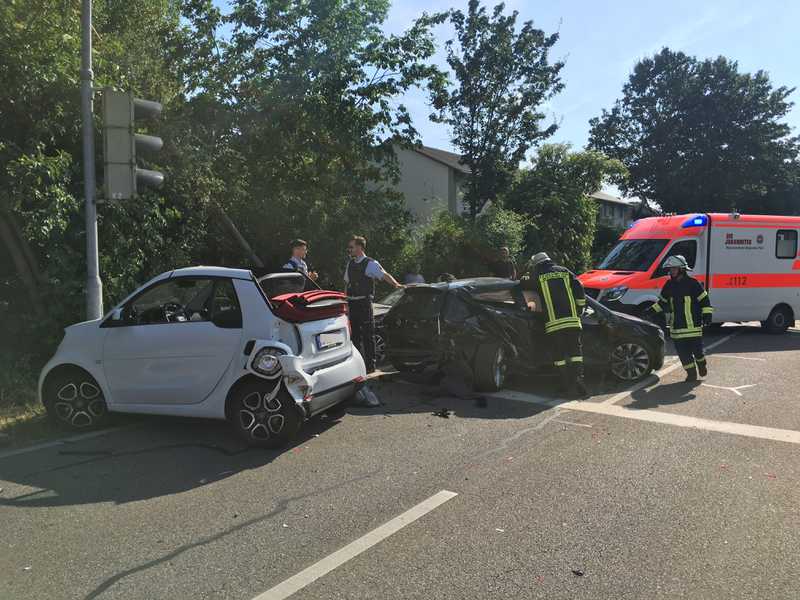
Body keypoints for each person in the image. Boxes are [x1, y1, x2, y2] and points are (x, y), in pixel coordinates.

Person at [528, 251, 588, 398]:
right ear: (549, 260)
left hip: (554, 324)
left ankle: (565, 385)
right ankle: (579, 381)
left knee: (559, 355)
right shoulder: (564, 271)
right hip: (572, 321)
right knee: (576, 353)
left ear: (537, 264)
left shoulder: (536, 276)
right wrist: (580, 308)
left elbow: (525, 289)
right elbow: (579, 288)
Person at [648, 255, 713, 382]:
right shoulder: (669, 285)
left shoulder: (693, 284)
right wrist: (650, 312)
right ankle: (691, 373)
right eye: (670, 269)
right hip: (677, 327)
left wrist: (707, 314)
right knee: (683, 354)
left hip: (693, 326)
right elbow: (662, 303)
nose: (671, 271)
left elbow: (705, 300)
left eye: (674, 269)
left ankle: (701, 363)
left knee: (697, 352)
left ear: (682, 269)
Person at [344, 235, 403, 373]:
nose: (349, 250)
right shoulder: (350, 264)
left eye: (352, 247)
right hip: (352, 303)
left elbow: (384, 274)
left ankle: (370, 366)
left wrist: (396, 284)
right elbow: (347, 283)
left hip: (364, 303)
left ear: (359, 247)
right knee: (355, 337)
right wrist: (345, 302)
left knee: (368, 335)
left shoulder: (370, 263)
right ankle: (357, 367)